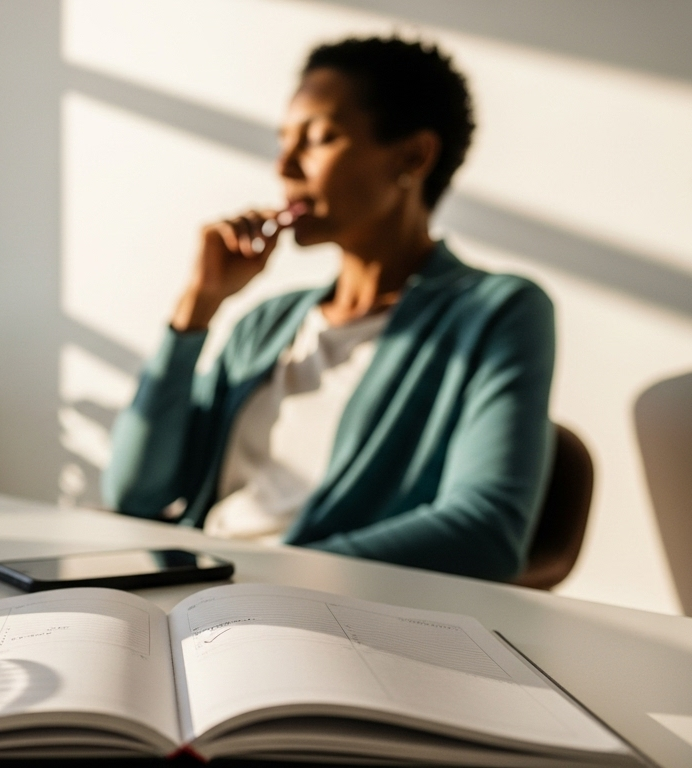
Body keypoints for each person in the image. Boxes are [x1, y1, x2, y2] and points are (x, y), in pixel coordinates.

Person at [102, 36, 556, 582]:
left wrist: (272, 578)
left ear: (413, 156)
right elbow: (135, 493)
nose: (285, 165)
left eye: (318, 138)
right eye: (283, 140)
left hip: (322, 619)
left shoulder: (496, 312)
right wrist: (195, 311)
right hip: (200, 599)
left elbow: (486, 534)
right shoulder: (268, 324)